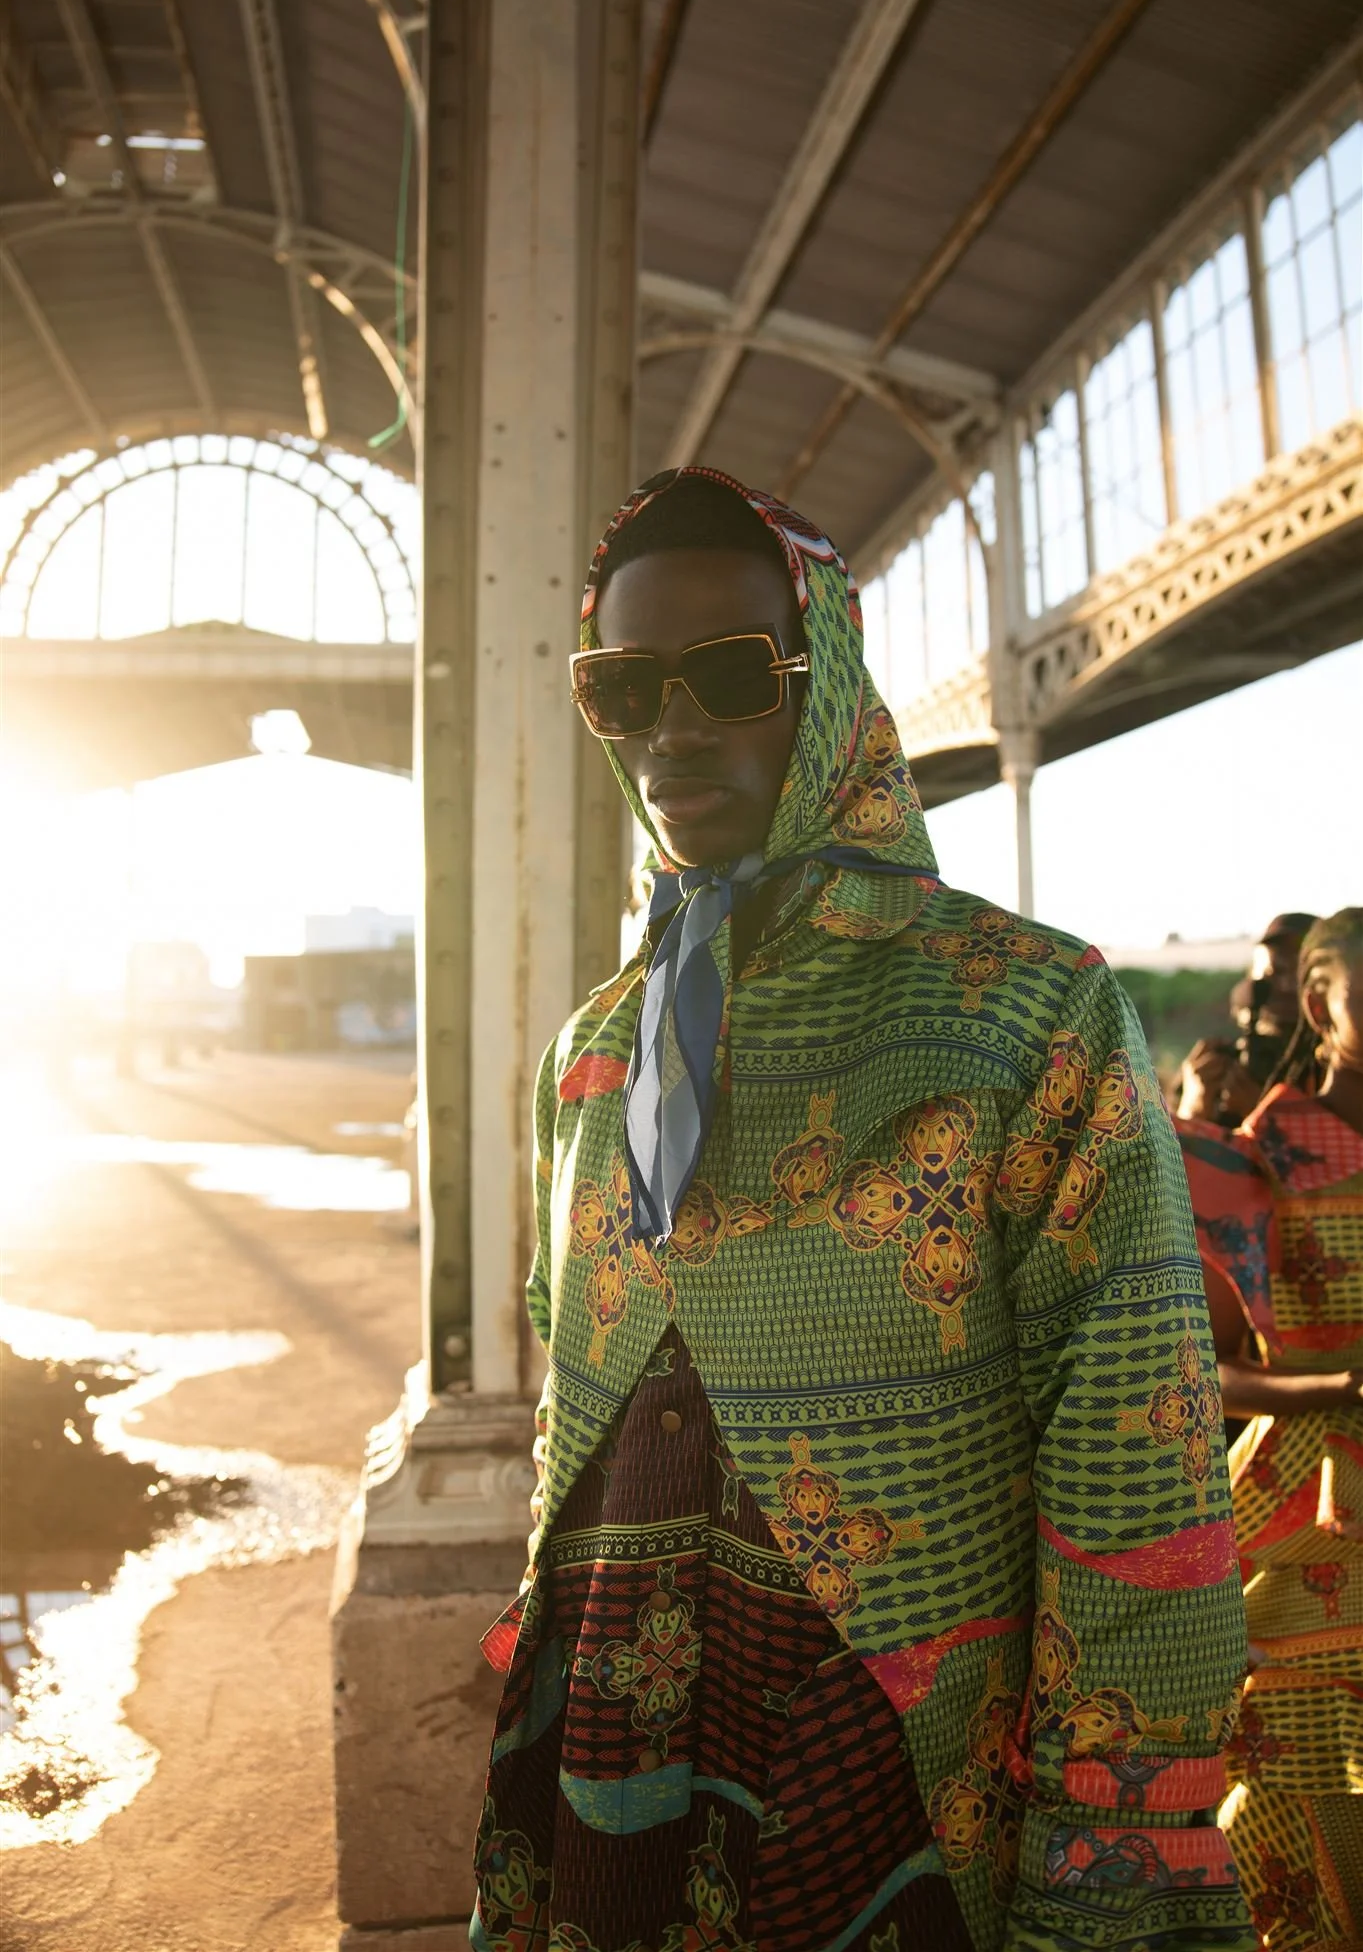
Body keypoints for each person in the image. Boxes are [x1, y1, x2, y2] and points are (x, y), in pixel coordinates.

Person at [472, 468, 1252, 1952]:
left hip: (885, 1759)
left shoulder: (1022, 1009)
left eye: (724, 675)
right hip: (612, 1757)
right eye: (620, 687)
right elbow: (567, 1390)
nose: (669, 727)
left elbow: (1131, 1450)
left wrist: (1113, 1834)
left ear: (823, 688)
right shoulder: (592, 1053)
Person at [1178, 908, 1363, 1948]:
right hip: (1304, 1529)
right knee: (1297, 1829)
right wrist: (1332, 1383)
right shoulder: (1257, 1165)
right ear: (1318, 1002)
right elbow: (1194, 1374)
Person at [1178, 915, 1316, 1129]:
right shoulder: (1220, 1065)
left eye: (1299, 974)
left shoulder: (1338, 1073)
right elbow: (1170, 1158)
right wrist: (1193, 1110)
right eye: (1274, 972)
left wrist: (1262, 1115)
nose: (1287, 985)